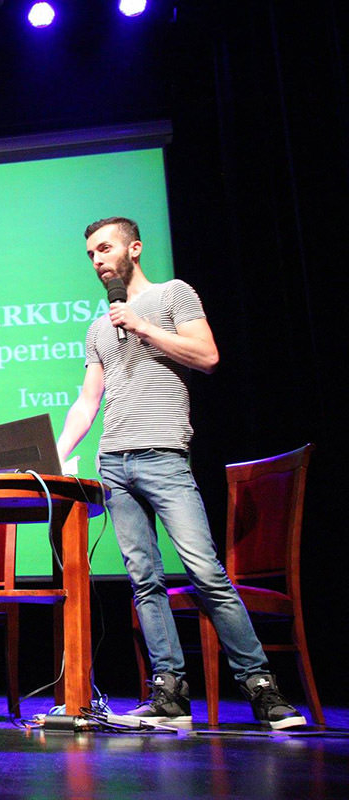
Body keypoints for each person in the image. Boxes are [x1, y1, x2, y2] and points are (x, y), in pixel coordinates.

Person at [55, 216, 306, 730]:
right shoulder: (99, 327)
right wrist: (56, 454)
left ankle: (262, 688)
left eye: (105, 249)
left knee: (205, 572)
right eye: (90, 255)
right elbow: (88, 400)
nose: (98, 260)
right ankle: (169, 694)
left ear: (134, 249)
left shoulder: (173, 295)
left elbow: (208, 356)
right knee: (143, 580)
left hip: (165, 456)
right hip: (114, 463)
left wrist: (144, 326)